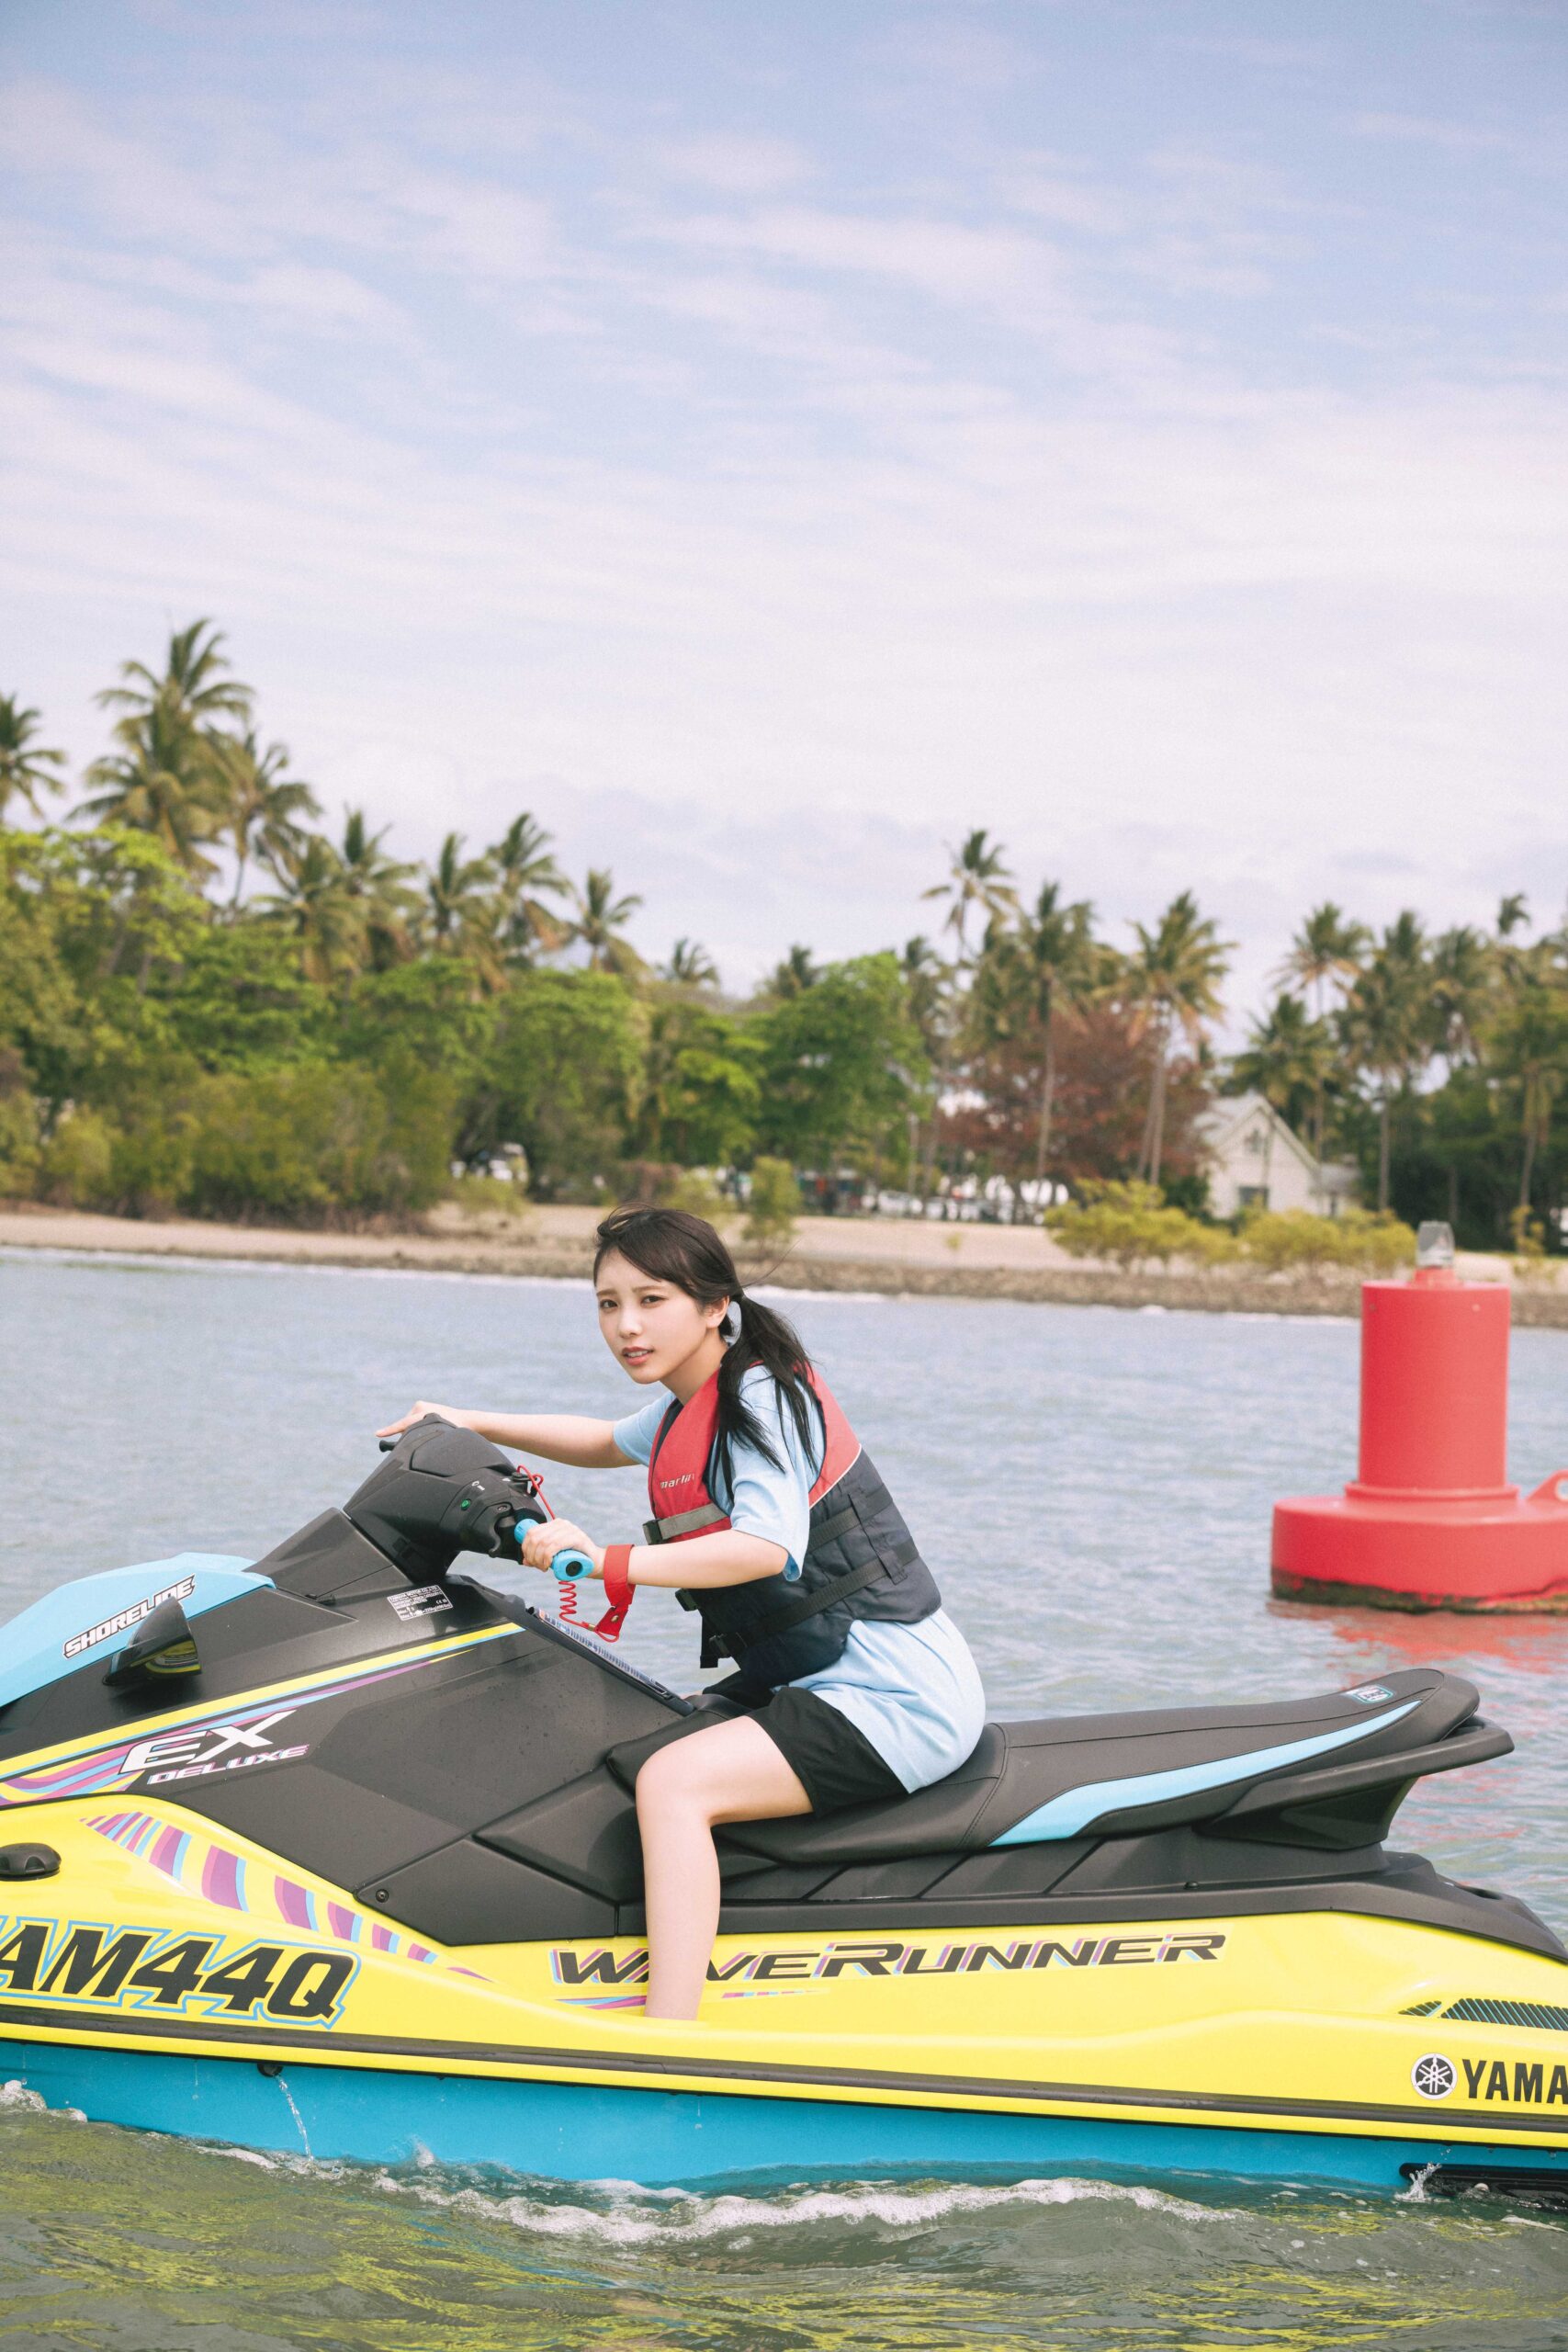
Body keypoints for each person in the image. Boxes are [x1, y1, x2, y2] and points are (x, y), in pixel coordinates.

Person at [378, 1204, 985, 2019]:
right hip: (815, 1680)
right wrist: (465, 1419)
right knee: (625, 1737)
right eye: (606, 1304)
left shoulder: (759, 1400)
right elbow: (598, 1439)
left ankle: (669, 2033)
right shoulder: (684, 1408)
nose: (626, 1326)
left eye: (650, 1300)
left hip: (892, 1696)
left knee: (672, 1784)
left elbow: (765, 1547)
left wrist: (606, 1562)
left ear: (714, 1305)